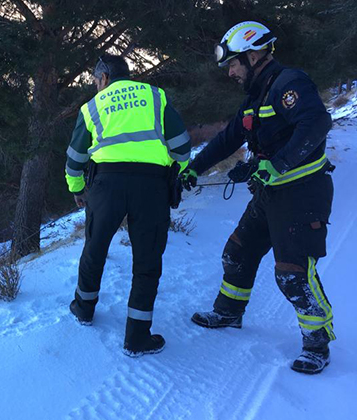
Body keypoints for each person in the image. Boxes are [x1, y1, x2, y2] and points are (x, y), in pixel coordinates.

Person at [181, 21, 335, 374]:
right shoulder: (256, 97)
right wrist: (194, 168)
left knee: (293, 274)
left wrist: (278, 164)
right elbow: (227, 138)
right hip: (270, 193)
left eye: (233, 64)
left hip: (302, 194)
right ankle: (228, 312)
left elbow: (317, 124)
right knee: (237, 252)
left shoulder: (289, 84)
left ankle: (317, 343)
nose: (230, 72)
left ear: (253, 54)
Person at [65, 54, 192, 357]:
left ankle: (83, 309)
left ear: (104, 76)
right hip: (151, 187)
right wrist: (177, 173)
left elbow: (74, 159)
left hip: (105, 186)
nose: (96, 87)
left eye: (96, 81)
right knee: (147, 261)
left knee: (95, 249)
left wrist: (77, 189)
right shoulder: (155, 96)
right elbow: (182, 147)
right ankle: (136, 337)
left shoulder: (92, 107)